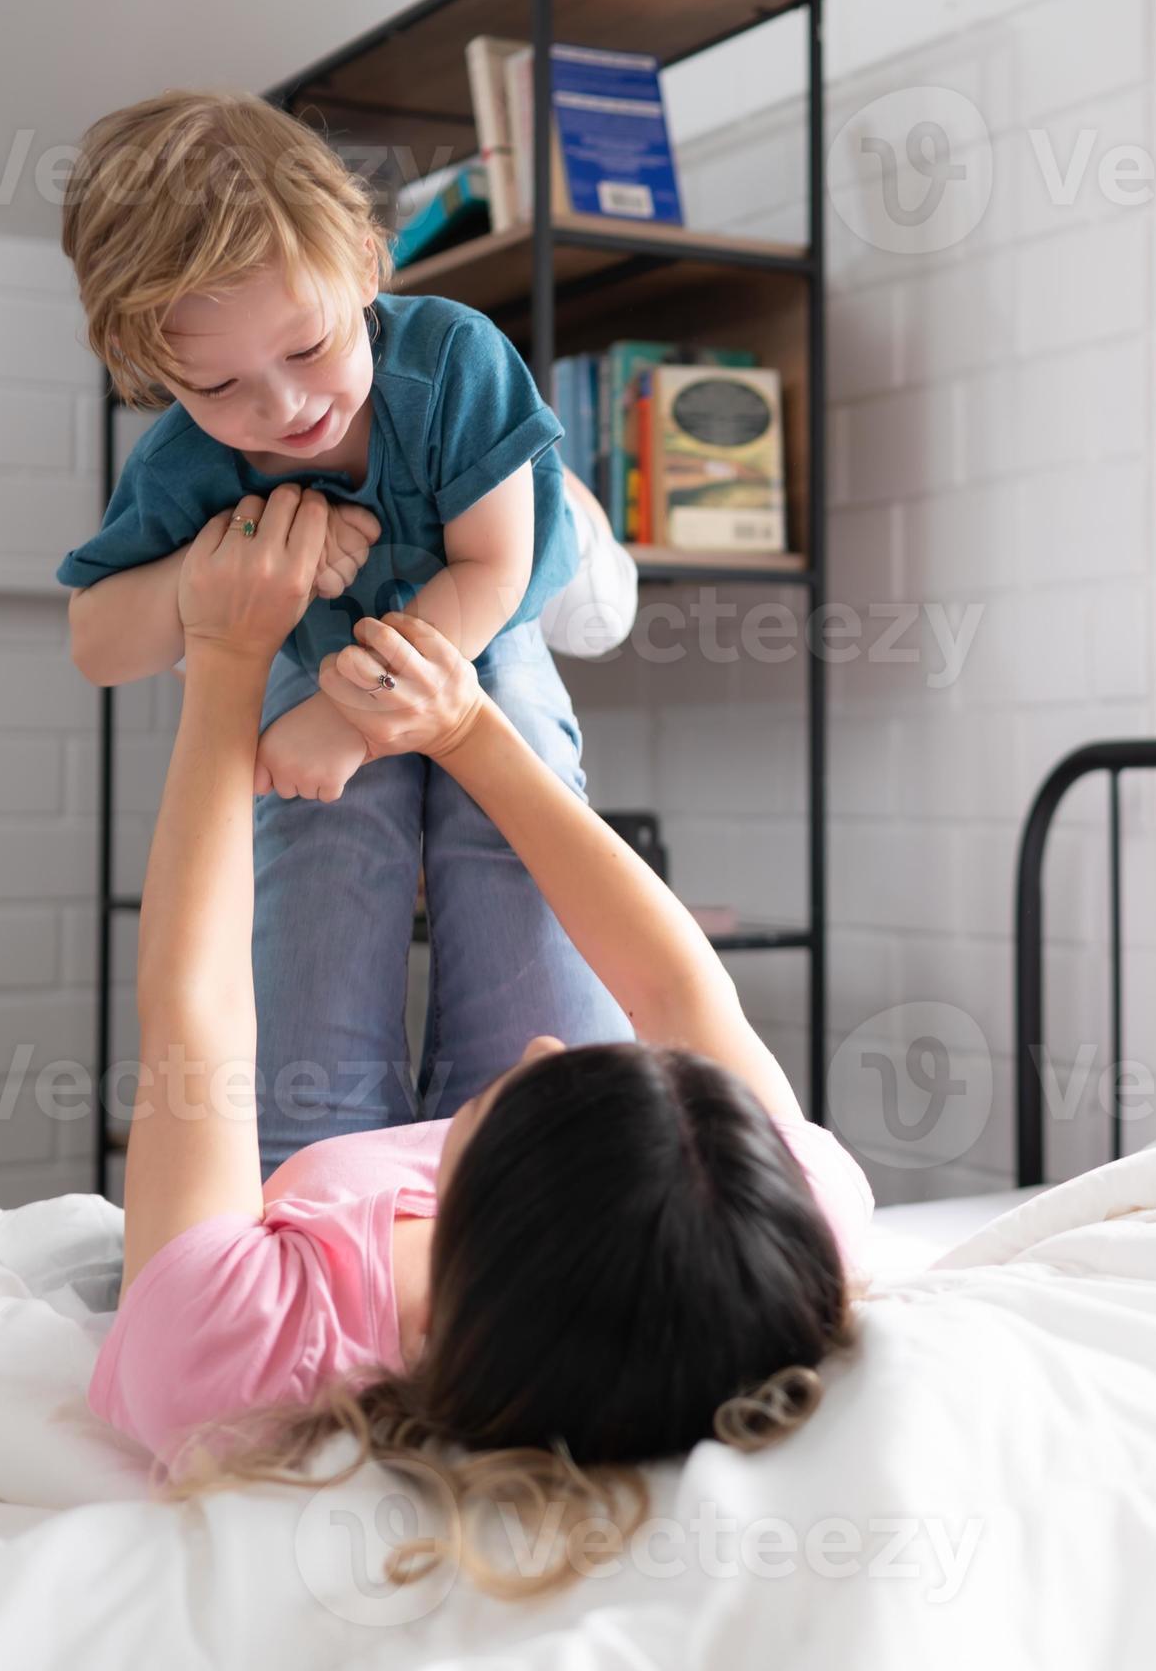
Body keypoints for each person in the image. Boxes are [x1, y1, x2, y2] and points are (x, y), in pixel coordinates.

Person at [91, 485, 871, 1597]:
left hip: (304, 1221)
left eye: (551, 1085)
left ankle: (471, 528)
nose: (555, 1044)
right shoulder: (781, 1220)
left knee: (333, 796)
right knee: (484, 670)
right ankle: (508, 517)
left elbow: (195, 1013)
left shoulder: (237, 1351)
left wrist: (222, 660)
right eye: (603, 1064)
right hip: (517, 1213)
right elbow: (672, 988)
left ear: (484, 1206)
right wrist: (463, 730)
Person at [54, 89, 626, 1173]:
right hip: (330, 645)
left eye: (309, 348)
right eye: (218, 387)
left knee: (515, 754)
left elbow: (494, 569)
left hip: (493, 588)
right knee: (321, 827)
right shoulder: (190, 461)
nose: (280, 410)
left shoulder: (450, 358)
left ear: (367, 264)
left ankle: (549, 1156)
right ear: (160, 379)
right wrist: (223, 564)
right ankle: (319, 1166)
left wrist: (351, 724)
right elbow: (98, 640)